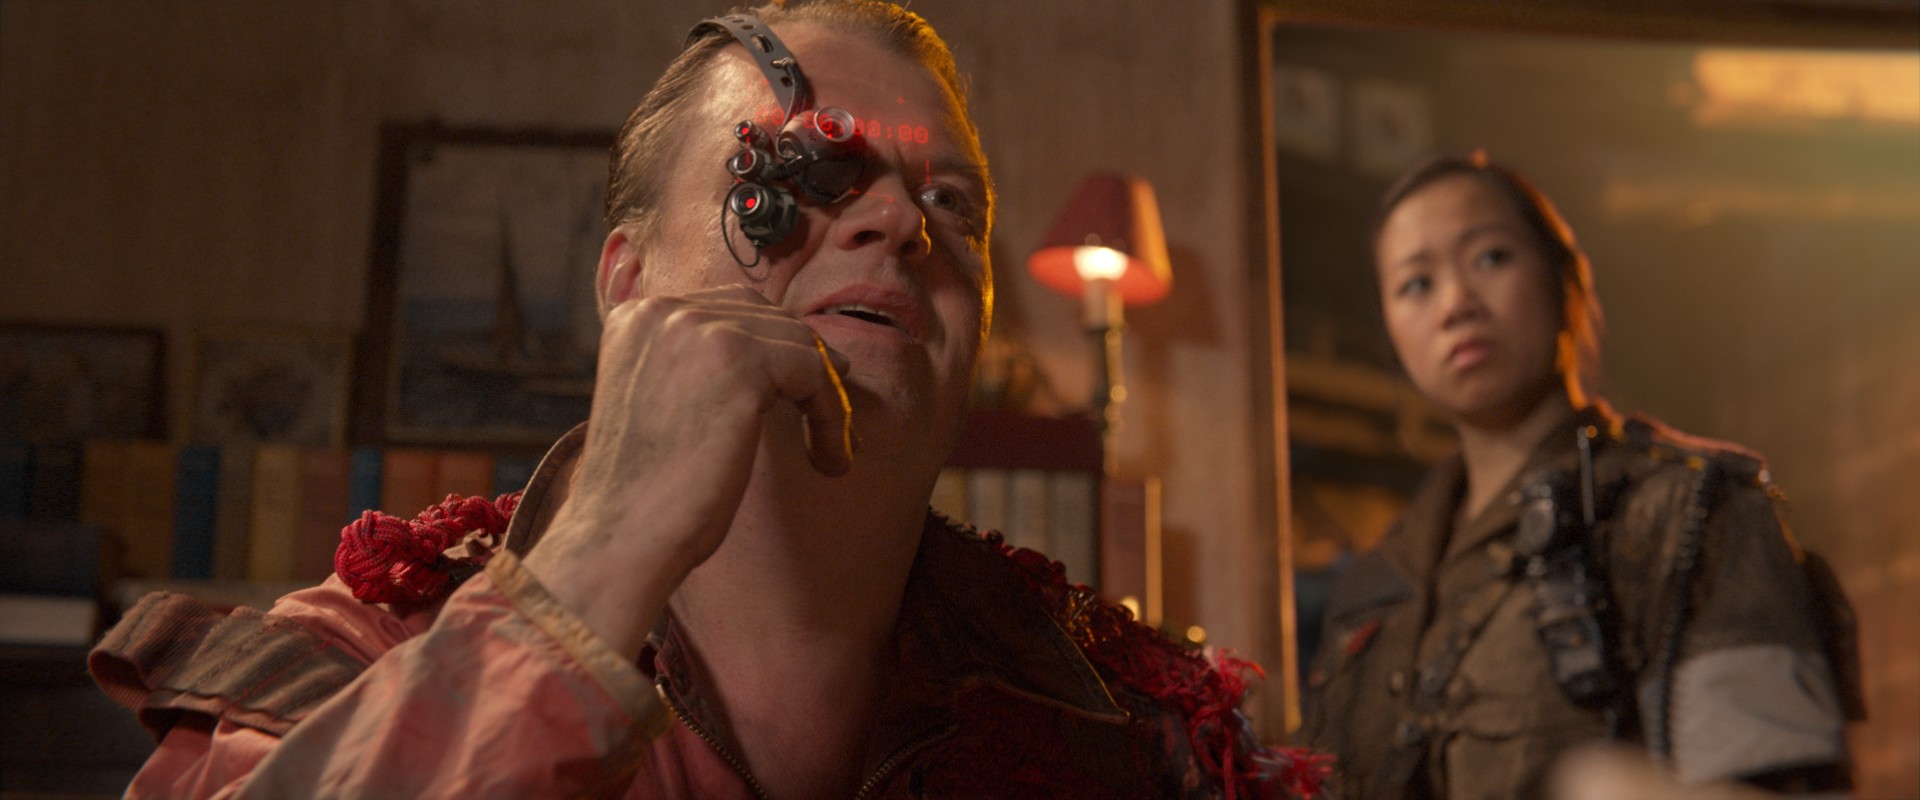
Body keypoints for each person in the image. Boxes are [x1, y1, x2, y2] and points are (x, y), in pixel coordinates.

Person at [88, 2, 1327, 798]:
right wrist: (595, 564)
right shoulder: (354, 659)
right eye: (809, 173)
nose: (901, 222)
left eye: (950, 204)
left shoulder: (1143, 735)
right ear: (628, 285)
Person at [1298, 151, 1861, 800]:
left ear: (1565, 281)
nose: (1455, 304)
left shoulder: (1688, 510)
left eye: (1490, 257)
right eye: (1416, 284)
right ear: (1391, 332)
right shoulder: (1375, 587)